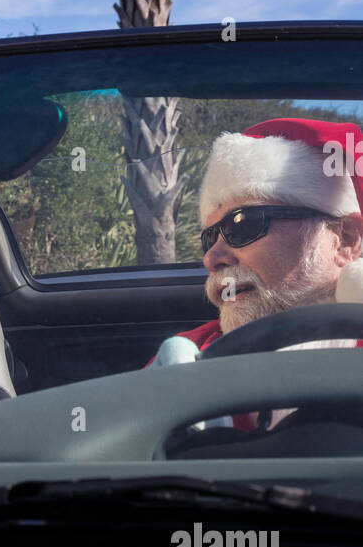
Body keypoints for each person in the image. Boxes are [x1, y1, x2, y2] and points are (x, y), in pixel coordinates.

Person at [148, 117, 363, 431]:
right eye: (209, 237)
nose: (211, 258)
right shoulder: (187, 353)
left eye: (243, 223)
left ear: (345, 238)